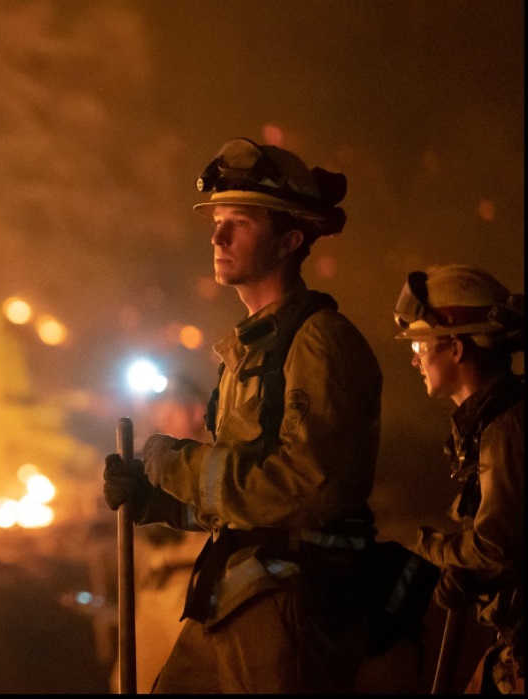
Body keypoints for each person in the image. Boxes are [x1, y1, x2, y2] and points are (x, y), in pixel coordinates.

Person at [103, 137, 384, 693]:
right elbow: (242, 502)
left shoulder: (318, 345)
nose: (218, 235)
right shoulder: (251, 351)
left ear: (290, 240)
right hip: (231, 595)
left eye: (241, 222)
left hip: (287, 606)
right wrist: (157, 500)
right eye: (218, 219)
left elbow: (305, 491)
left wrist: (173, 462)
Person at [393, 264, 524, 694]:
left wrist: (430, 548)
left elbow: (494, 547)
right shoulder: (492, 424)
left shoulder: (505, 430)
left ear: (455, 348)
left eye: (419, 342)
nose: (414, 357)